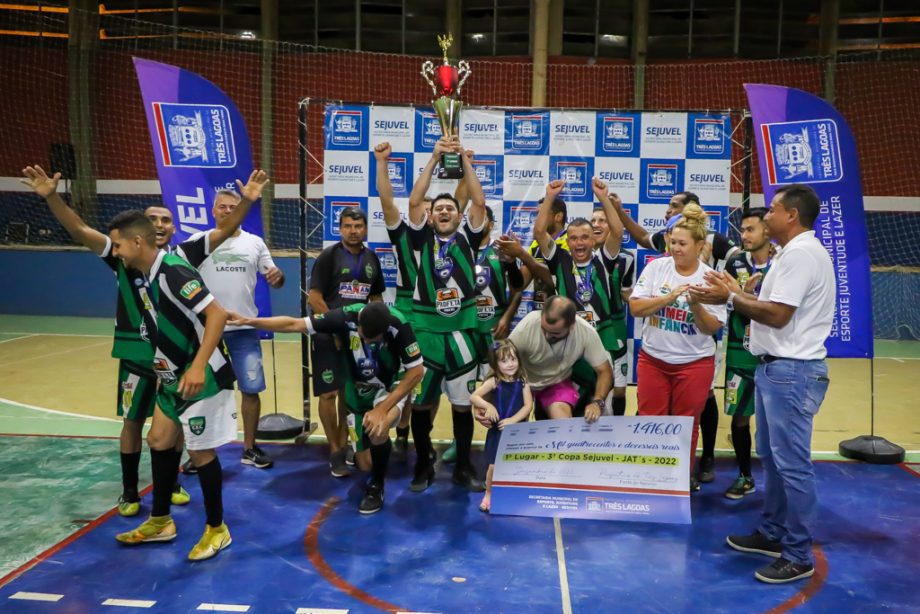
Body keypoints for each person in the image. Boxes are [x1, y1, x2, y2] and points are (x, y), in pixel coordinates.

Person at [20, 164, 266, 517]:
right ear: (141, 233)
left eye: (166, 220)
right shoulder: (122, 257)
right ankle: (131, 490)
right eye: (155, 220)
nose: (162, 225)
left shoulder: (181, 258)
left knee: (172, 429)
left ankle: (175, 492)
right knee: (136, 422)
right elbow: (79, 229)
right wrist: (52, 197)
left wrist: (246, 201)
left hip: (178, 357)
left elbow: (226, 230)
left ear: (171, 228)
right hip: (138, 353)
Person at [690, 184, 834, 584]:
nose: (765, 216)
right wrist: (736, 291)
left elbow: (777, 315)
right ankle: (773, 534)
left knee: (793, 465)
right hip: (777, 369)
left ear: (791, 216)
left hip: (793, 371)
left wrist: (731, 297)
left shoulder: (802, 255)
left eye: (772, 210)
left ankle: (798, 553)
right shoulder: (792, 254)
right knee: (772, 458)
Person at [107, 211, 237, 561]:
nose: (115, 252)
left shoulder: (173, 271)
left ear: (137, 242)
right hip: (171, 377)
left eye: (118, 245)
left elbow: (217, 315)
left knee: (200, 452)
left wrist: (196, 367)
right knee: (160, 440)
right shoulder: (144, 274)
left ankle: (217, 529)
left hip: (202, 378)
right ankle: (161, 521)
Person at [229, 302, 424, 514]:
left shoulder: (399, 325)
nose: (366, 342)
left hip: (391, 387)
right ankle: (368, 456)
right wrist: (249, 321)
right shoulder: (344, 317)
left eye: (372, 339)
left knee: (379, 426)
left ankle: (376, 486)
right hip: (357, 392)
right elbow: (294, 324)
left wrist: (382, 409)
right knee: (365, 464)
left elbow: (416, 372)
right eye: (363, 336)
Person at [614, 190, 739, 483]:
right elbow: (635, 307)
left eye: (682, 244)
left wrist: (695, 303)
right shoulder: (657, 267)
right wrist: (669, 297)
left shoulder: (711, 279)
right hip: (654, 361)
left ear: (699, 246)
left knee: (686, 425)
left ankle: (678, 480)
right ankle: (649, 480)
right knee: (650, 421)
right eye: (672, 242)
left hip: (694, 364)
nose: (676, 248)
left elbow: (711, 328)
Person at [402, 136, 489, 493]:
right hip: (426, 332)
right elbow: (412, 201)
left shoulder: (469, 237)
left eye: (449, 208)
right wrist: (436, 156)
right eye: (437, 208)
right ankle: (423, 464)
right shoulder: (422, 239)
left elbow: (478, 200)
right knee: (422, 406)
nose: (442, 211)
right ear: (430, 215)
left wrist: (465, 159)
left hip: (462, 333)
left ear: (458, 214)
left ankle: (464, 466)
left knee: (462, 406)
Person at [195, 188, 286, 470]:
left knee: (251, 389)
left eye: (233, 206)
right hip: (205, 330)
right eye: (222, 206)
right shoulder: (198, 242)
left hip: (244, 328)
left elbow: (277, 279)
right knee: (204, 392)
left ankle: (249, 448)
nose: (227, 211)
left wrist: (277, 276)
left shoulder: (255, 243)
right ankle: (199, 450)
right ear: (213, 211)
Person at [534, 179, 633, 416]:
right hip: (570, 340)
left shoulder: (605, 259)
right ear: (567, 241)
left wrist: (604, 198)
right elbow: (539, 232)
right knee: (571, 400)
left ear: (593, 240)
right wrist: (549, 197)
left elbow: (618, 231)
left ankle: (605, 447)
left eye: (585, 237)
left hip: (603, 339)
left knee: (604, 406)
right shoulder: (560, 259)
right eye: (574, 238)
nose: (579, 243)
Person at [308, 205, 385, 477]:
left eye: (358, 226)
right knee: (328, 393)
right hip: (328, 336)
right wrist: (337, 327)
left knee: (347, 394)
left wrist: (375, 332)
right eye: (348, 226)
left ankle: (347, 443)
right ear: (340, 229)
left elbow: (375, 299)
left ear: (365, 228)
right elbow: (314, 298)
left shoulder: (372, 259)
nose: (353, 231)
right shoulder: (329, 256)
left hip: (357, 341)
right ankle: (334, 451)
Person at [720, 208, 773, 499]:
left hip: (773, 354)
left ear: (767, 230)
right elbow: (724, 302)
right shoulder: (736, 261)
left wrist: (751, 295)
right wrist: (738, 294)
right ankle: (744, 476)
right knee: (739, 418)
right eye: (743, 230)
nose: (745, 235)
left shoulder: (782, 263)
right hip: (739, 353)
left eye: (751, 229)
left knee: (774, 422)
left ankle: (778, 480)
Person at [506, 295, 611, 422]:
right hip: (522, 383)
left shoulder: (585, 332)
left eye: (555, 333)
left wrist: (597, 402)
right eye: (544, 329)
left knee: (564, 424)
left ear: (572, 325)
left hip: (555, 383)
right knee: (509, 421)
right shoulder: (527, 325)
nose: (548, 335)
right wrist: (486, 400)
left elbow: (604, 371)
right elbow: (500, 362)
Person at [470, 339, 533, 513]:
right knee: (494, 465)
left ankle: (511, 492)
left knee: (516, 465)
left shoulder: (523, 382)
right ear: (495, 363)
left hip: (517, 431)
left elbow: (528, 406)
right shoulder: (494, 381)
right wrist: (488, 406)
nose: (510, 364)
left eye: (513, 359)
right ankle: (489, 493)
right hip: (499, 431)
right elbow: (474, 397)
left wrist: (513, 421)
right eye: (504, 361)